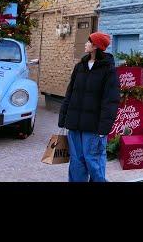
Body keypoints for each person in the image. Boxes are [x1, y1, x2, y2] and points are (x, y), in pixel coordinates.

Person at [58, 32, 120, 182]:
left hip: (93, 127)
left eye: (88, 42)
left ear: (95, 46)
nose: (85, 44)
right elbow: (70, 92)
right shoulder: (80, 67)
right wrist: (63, 118)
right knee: (76, 162)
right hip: (74, 124)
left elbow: (110, 101)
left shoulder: (108, 70)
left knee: (93, 161)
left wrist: (104, 128)